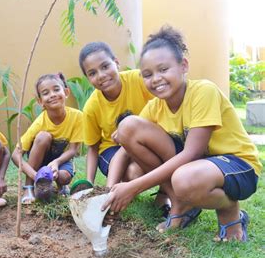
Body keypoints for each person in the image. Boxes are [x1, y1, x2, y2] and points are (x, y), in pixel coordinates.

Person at [102, 26, 261, 242]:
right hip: (199, 167)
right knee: (127, 127)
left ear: (183, 65)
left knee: (184, 178)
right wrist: (110, 191)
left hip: (237, 166)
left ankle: (230, 212)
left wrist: (132, 188)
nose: (156, 79)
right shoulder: (155, 106)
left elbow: (192, 153)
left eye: (163, 69)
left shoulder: (203, 91)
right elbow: (123, 148)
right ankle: (181, 205)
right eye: (147, 75)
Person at [79, 42, 170, 213]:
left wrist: (129, 131)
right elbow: (92, 148)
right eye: (92, 73)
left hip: (143, 140)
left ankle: (164, 194)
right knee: (133, 173)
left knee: (141, 167)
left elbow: (163, 108)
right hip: (111, 149)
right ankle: (116, 191)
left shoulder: (138, 80)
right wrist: (89, 184)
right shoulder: (92, 107)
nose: (101, 75)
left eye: (105, 66)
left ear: (117, 62)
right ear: (88, 78)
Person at [11, 73, 83, 203]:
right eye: (45, 93)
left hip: (61, 160)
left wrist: (56, 163)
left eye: (56, 89)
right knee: (43, 137)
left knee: (65, 177)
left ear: (66, 92)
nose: (52, 95)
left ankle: (59, 184)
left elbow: (73, 150)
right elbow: (16, 155)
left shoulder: (77, 117)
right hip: (40, 160)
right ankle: (29, 186)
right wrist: (34, 175)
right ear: (40, 101)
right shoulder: (40, 123)